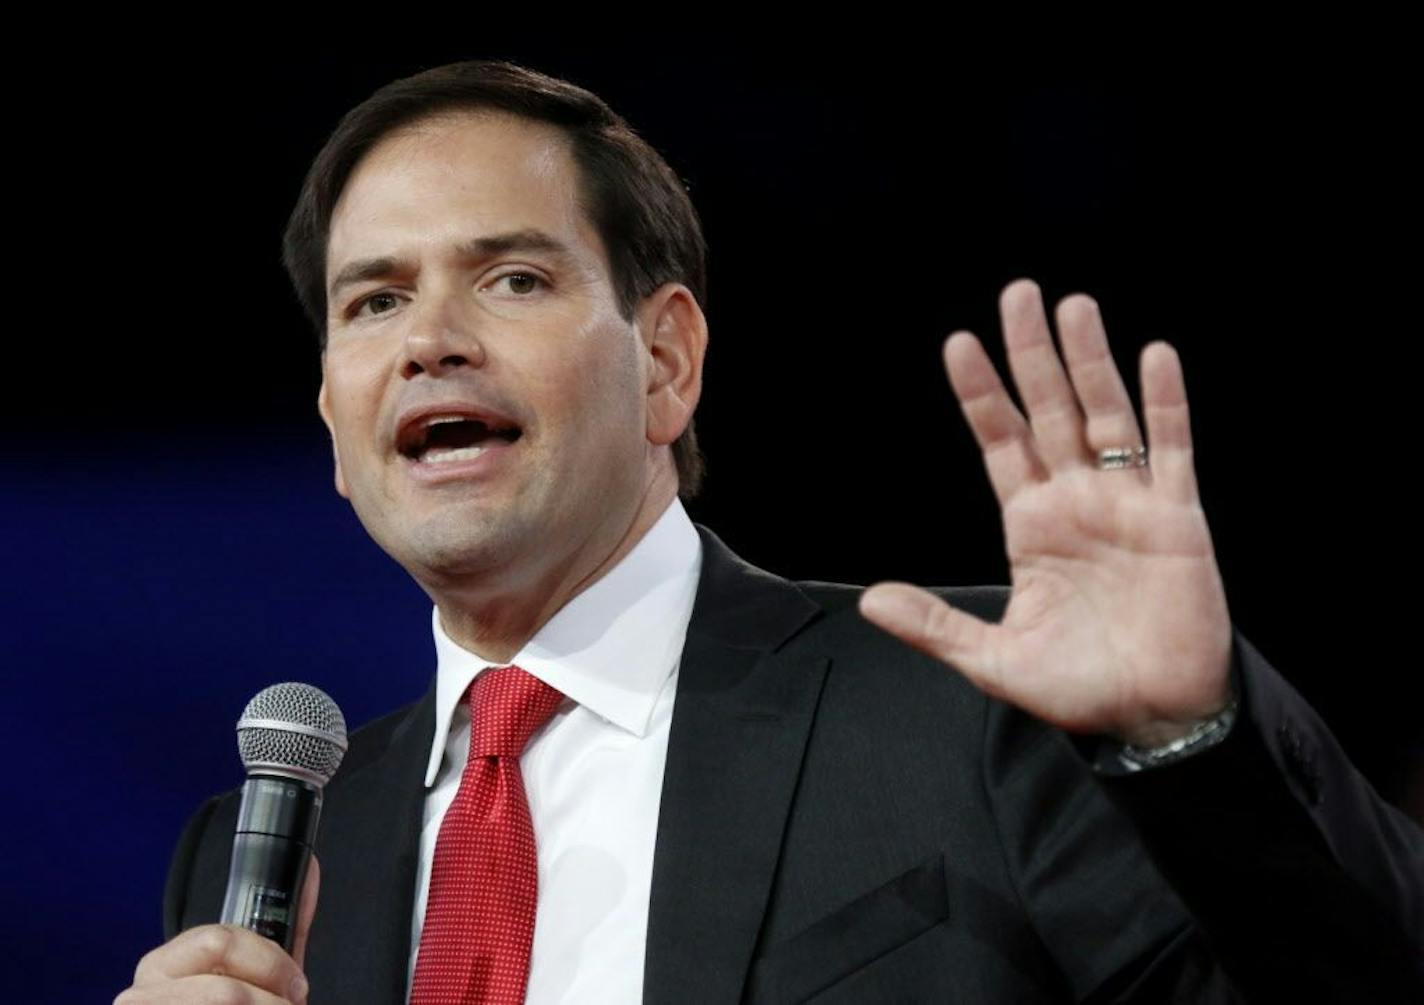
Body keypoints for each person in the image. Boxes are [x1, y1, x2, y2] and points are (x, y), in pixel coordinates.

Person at [117, 61, 1423, 1004]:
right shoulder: (266, 857)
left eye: (512, 276)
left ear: (669, 361)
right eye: (374, 300)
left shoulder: (976, 706)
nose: (429, 340)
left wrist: (1190, 743)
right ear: (337, 425)